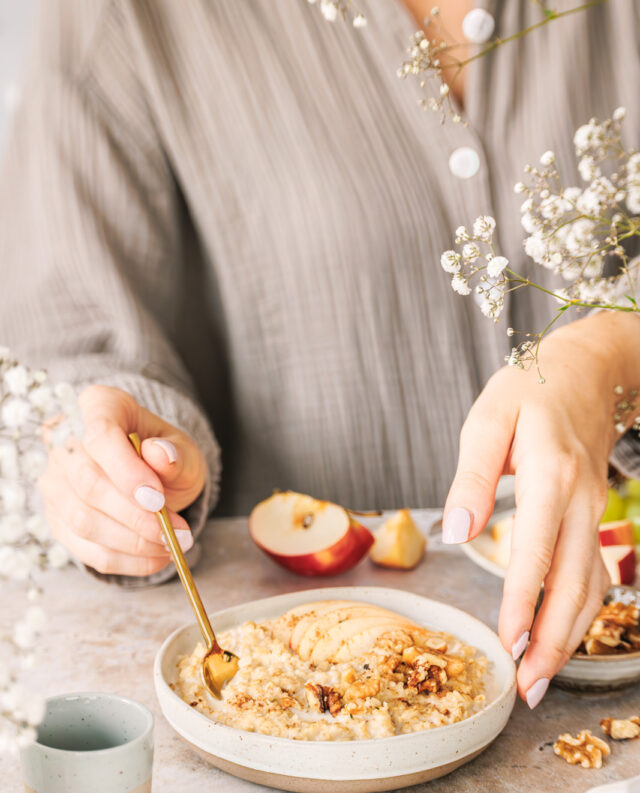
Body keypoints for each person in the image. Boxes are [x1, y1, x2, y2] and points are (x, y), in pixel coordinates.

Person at [0, 0, 638, 709]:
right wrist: (119, 466)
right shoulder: (117, 19)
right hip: (308, 705)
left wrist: (616, 346)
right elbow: (69, 350)